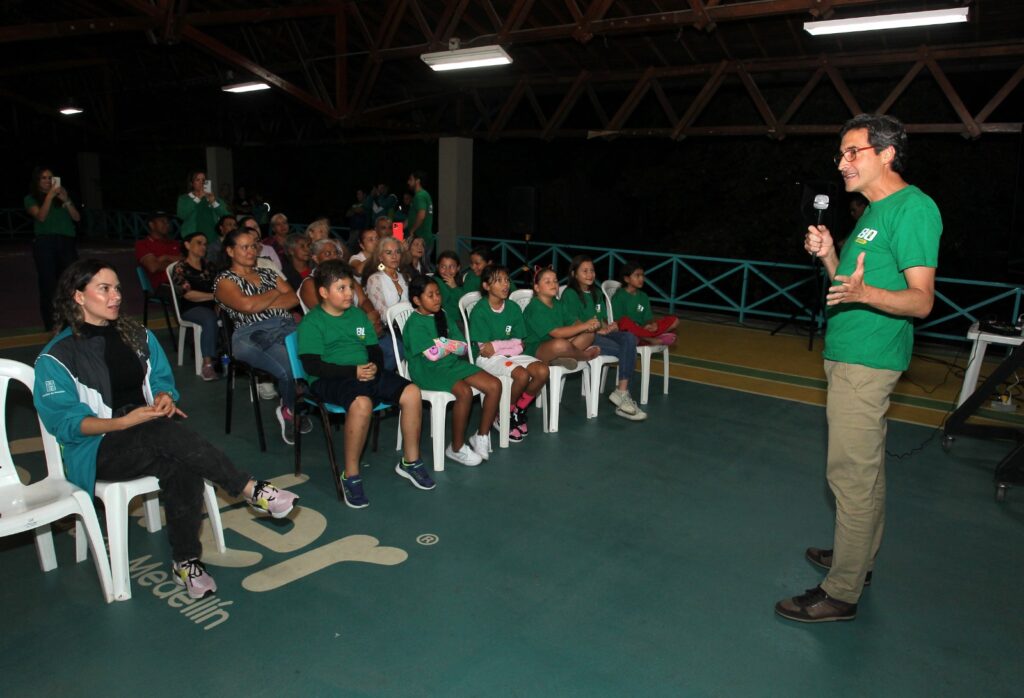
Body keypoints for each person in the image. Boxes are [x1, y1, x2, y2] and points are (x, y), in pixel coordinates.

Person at [34, 259, 298, 599]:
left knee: (179, 460)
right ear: (78, 297)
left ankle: (186, 562)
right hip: (98, 446)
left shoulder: (137, 334)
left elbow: (161, 380)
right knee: (160, 432)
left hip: (148, 430)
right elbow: (66, 424)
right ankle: (249, 488)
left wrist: (163, 397)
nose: (115, 296)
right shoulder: (56, 357)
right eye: (104, 289)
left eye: (116, 287)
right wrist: (123, 422)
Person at [775, 114, 941, 623]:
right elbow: (846, 284)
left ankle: (841, 591)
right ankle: (858, 557)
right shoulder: (873, 211)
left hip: (867, 361)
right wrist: (830, 256)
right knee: (866, 475)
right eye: (840, 153)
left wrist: (866, 292)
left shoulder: (912, 209)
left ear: (887, 154)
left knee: (849, 477)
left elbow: (921, 301)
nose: (841, 162)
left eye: (853, 152)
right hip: (849, 355)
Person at [297, 260, 434, 507]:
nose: (350, 293)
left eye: (351, 287)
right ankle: (350, 475)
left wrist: (373, 366)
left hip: (363, 372)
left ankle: (410, 461)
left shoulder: (358, 316)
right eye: (342, 288)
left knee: (412, 392)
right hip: (329, 378)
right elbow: (312, 366)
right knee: (362, 404)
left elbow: (374, 349)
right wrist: (353, 371)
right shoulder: (312, 322)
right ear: (324, 292)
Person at [213, 228, 310, 445]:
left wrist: (261, 301)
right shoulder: (224, 280)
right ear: (230, 251)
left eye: (253, 245)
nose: (251, 251)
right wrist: (275, 293)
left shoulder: (268, 272)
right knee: (288, 367)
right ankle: (289, 411)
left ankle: (297, 401)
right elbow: (247, 307)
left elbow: (293, 299)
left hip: (284, 325)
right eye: (244, 247)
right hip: (251, 334)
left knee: (316, 355)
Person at [404, 276, 501, 467]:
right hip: (427, 370)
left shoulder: (443, 314)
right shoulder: (414, 323)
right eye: (430, 295)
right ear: (417, 300)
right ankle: (456, 448)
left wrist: (442, 344)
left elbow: (464, 347)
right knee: (464, 392)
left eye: (438, 293)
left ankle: (481, 435)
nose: (437, 298)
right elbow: (431, 355)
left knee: (494, 385)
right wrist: (447, 346)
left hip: (451, 364)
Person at [469, 265, 549, 442]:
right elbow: (485, 350)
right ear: (486, 286)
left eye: (506, 280)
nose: (505, 285)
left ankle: (516, 410)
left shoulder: (512, 307)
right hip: (486, 360)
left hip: (508, 354)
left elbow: (520, 344)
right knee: (521, 375)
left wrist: (497, 345)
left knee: (543, 371)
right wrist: (507, 346)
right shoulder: (480, 311)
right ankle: (502, 415)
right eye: (498, 281)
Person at [563, 255, 645, 421]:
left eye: (592, 270)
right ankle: (623, 397)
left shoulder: (597, 293)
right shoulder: (570, 294)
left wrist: (608, 326)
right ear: (574, 274)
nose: (590, 274)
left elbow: (600, 320)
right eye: (584, 271)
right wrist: (594, 329)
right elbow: (573, 323)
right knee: (628, 349)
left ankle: (621, 392)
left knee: (629, 338)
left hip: (598, 333)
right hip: (582, 337)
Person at [25, 166, 80, 330]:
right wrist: (49, 196)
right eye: (43, 178)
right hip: (45, 243)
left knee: (71, 281)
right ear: (37, 181)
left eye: (50, 178)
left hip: (66, 241)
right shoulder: (30, 198)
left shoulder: (60, 197)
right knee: (48, 283)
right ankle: (52, 324)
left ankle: (72, 320)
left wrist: (66, 200)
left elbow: (76, 217)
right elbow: (41, 216)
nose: (48, 181)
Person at [524, 267, 601, 370]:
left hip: (559, 343)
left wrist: (589, 327)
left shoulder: (557, 303)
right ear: (537, 288)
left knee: (589, 334)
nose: (553, 284)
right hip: (535, 350)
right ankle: (585, 356)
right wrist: (584, 326)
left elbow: (574, 322)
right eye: (548, 282)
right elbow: (557, 333)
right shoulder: (534, 308)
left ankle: (558, 359)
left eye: (555, 281)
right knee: (560, 345)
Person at [299, 240, 380, 337]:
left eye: (336, 253)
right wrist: (364, 324)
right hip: (335, 336)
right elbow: (328, 317)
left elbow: (363, 301)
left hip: (358, 329)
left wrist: (372, 316)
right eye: (328, 254)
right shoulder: (310, 284)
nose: (334, 257)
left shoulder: (346, 277)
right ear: (316, 258)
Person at [170, 232, 221, 380]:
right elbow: (188, 294)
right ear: (187, 245)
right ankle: (207, 365)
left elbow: (220, 286)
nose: (203, 247)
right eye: (199, 243)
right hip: (191, 308)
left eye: (205, 244)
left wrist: (219, 300)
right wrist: (214, 297)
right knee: (209, 318)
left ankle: (231, 357)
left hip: (212, 305)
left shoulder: (209, 266)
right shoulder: (180, 268)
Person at [363, 236, 410, 372]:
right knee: (405, 347)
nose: (394, 256)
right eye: (388, 253)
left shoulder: (405, 277)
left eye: (397, 252)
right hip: (388, 329)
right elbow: (382, 314)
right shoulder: (375, 279)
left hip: (408, 327)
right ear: (380, 257)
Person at [612, 261, 679, 345]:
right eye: (637, 276)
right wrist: (635, 326)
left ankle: (646, 338)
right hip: (628, 330)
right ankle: (650, 339)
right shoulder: (619, 296)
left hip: (643, 329)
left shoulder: (644, 296)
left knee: (674, 320)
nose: (641, 279)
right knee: (625, 322)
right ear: (627, 279)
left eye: (642, 275)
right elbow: (618, 321)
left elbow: (648, 318)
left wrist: (651, 325)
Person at [134, 211, 181, 299]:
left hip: (181, 281)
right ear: (152, 225)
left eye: (167, 222)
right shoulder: (143, 244)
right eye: (162, 221)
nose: (166, 224)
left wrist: (166, 257)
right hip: (163, 286)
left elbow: (187, 260)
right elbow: (153, 267)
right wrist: (177, 262)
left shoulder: (174, 243)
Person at [176, 171, 230, 241]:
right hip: (193, 238)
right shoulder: (184, 199)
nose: (201, 183)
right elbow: (182, 215)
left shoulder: (214, 198)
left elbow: (226, 216)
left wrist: (214, 202)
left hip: (213, 238)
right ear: (191, 183)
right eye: (198, 180)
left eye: (203, 180)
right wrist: (198, 198)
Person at [406, 171, 435, 258]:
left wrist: (412, 231)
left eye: (410, 180)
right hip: (425, 239)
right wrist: (397, 229)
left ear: (417, 181)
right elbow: (412, 218)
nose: (408, 182)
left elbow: (421, 216)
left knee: (422, 266)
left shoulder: (420, 196)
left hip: (421, 240)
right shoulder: (424, 194)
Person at [435, 250, 466, 324]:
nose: (447, 271)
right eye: (443, 267)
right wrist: (454, 288)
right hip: (447, 321)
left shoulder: (458, 282)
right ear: (438, 267)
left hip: (460, 320)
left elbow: (464, 301)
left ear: (458, 268)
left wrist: (454, 287)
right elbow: (443, 302)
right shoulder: (436, 282)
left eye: (451, 267)